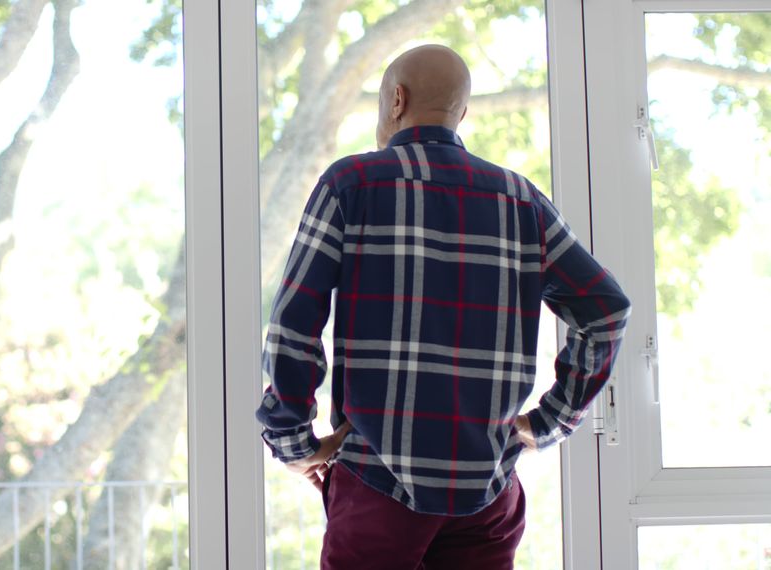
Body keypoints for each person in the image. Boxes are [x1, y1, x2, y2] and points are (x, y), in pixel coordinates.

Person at [255, 44, 631, 569]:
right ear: (463, 113)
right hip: (488, 496)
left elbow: (294, 326)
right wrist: (547, 423)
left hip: (377, 489)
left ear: (396, 100)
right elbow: (606, 311)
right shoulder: (522, 202)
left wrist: (295, 443)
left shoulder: (350, 184)